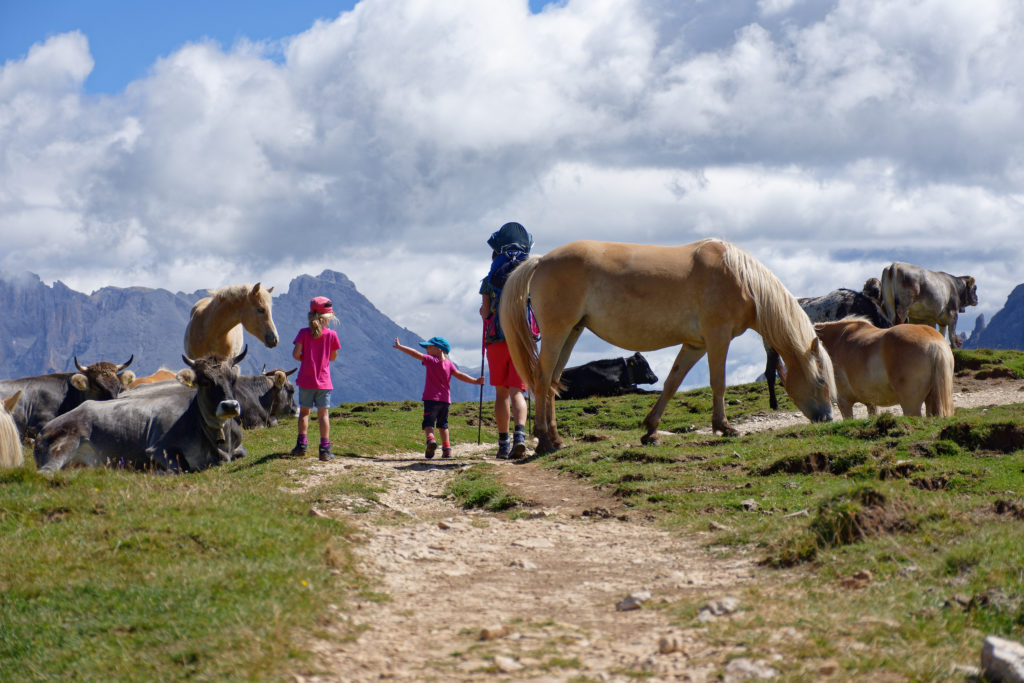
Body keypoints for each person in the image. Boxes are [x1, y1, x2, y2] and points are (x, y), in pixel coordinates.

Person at [479, 221, 534, 459]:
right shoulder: (529, 278)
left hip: (496, 341)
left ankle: (503, 445)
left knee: (501, 394)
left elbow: (484, 312)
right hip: (522, 339)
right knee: (518, 393)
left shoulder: (488, 280)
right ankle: (520, 438)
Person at [393, 335, 484, 459]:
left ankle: (431, 440)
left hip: (431, 399)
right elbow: (460, 375)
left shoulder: (430, 360)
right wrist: (475, 381)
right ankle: (447, 449)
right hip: (445, 401)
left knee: (428, 424)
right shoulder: (450, 365)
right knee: (443, 425)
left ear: (439, 349)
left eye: (429, 347)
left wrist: (400, 347)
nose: (427, 350)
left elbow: (415, 354)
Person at [291, 296, 341, 461]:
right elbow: (332, 358)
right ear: (327, 318)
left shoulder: (303, 333)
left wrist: (306, 359)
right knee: (323, 415)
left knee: (304, 412)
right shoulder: (332, 335)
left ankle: (301, 446)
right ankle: (325, 449)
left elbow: (296, 354)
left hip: (306, 380)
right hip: (324, 381)